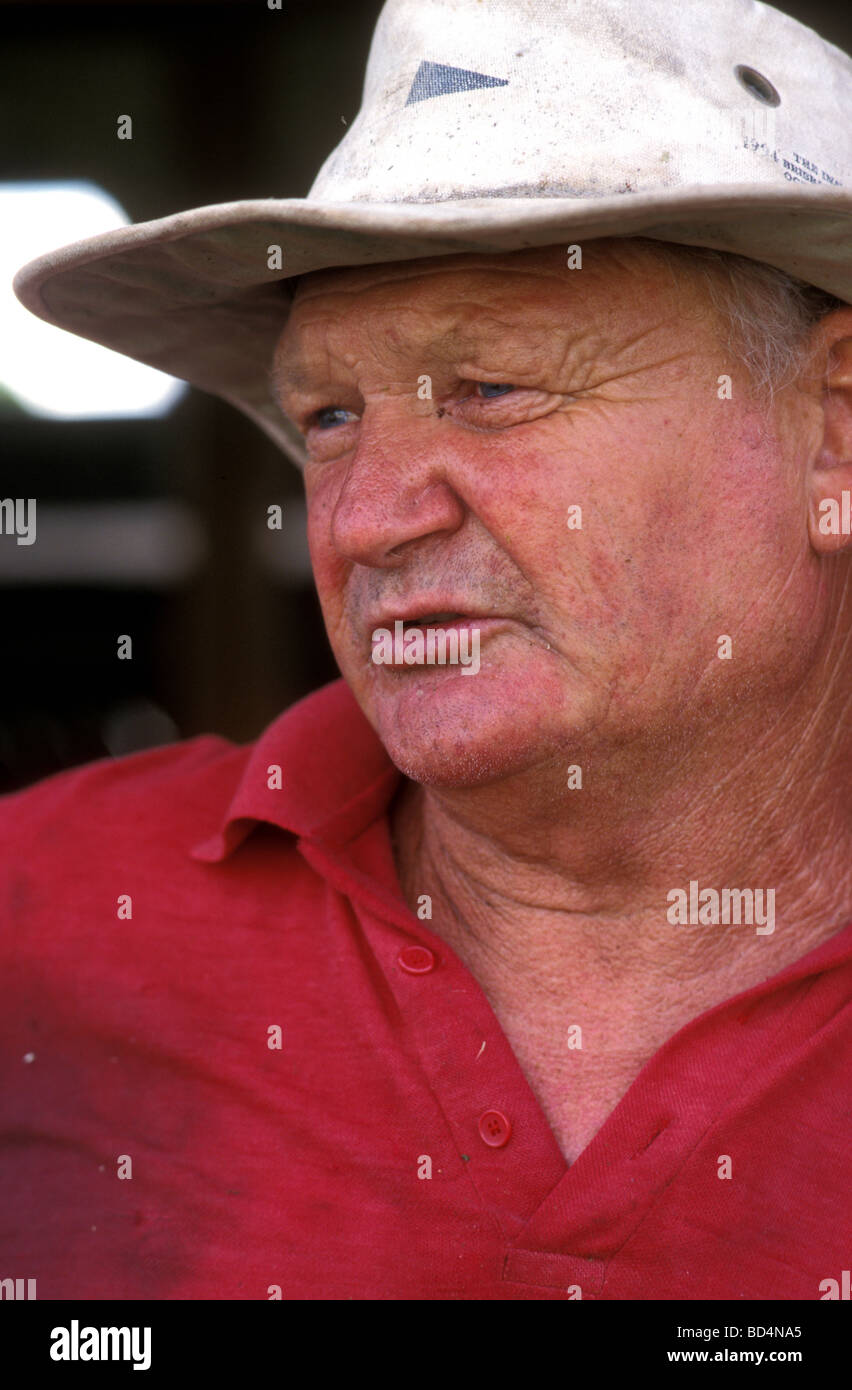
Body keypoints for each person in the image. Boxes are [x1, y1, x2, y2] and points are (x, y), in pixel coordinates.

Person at [3, 0, 851, 1300]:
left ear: (835, 437)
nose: (365, 516)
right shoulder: (45, 909)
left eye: (494, 388)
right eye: (330, 414)